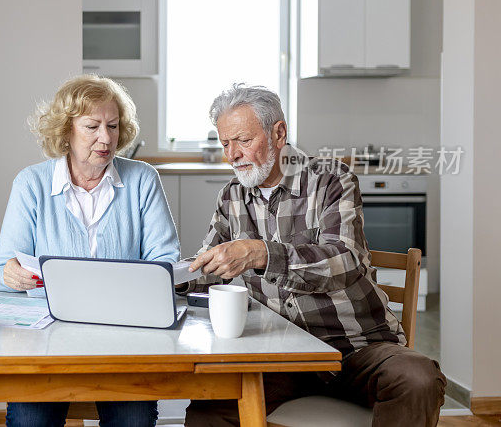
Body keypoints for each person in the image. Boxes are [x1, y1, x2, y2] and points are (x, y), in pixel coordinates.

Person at [178, 83, 445, 427]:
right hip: (280, 355)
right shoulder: (232, 197)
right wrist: (171, 277)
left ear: (279, 133)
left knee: (418, 378)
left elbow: (345, 261)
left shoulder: (331, 179)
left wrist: (260, 253)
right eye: (225, 143)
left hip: (356, 347)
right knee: (209, 406)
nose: (233, 155)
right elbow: (211, 266)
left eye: (243, 140)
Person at [0, 74, 179, 427]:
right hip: (45, 341)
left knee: (134, 422)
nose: (105, 138)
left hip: (126, 338)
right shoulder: (31, 183)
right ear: (66, 131)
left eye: (113, 125)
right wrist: (11, 274)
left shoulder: (143, 179)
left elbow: (165, 262)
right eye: (92, 126)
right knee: (30, 422)